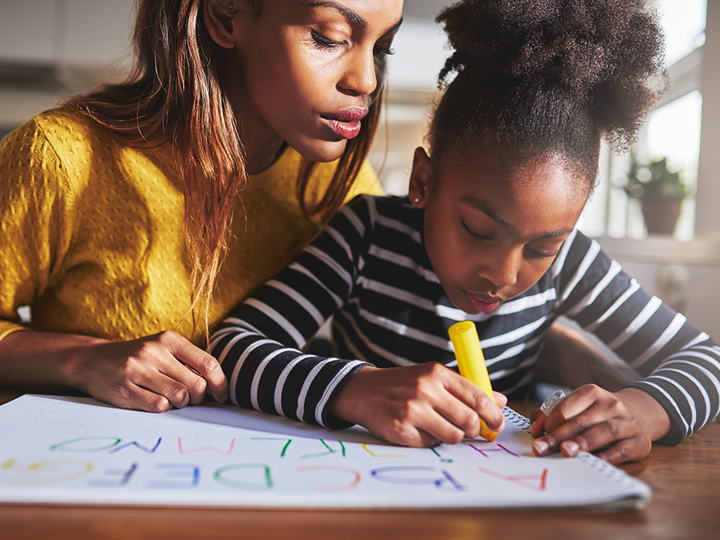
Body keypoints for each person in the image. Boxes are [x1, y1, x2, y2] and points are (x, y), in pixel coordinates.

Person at [209, 0, 720, 465]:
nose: (503, 275)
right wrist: (358, 390)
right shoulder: (365, 234)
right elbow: (232, 346)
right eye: (477, 230)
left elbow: (709, 361)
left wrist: (644, 410)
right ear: (422, 181)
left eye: (543, 246)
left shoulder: (572, 262)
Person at [0, 0, 404, 411]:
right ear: (226, 16)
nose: (367, 80)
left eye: (382, 47)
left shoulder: (343, 186)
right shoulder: (60, 158)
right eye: (329, 38)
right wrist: (83, 360)